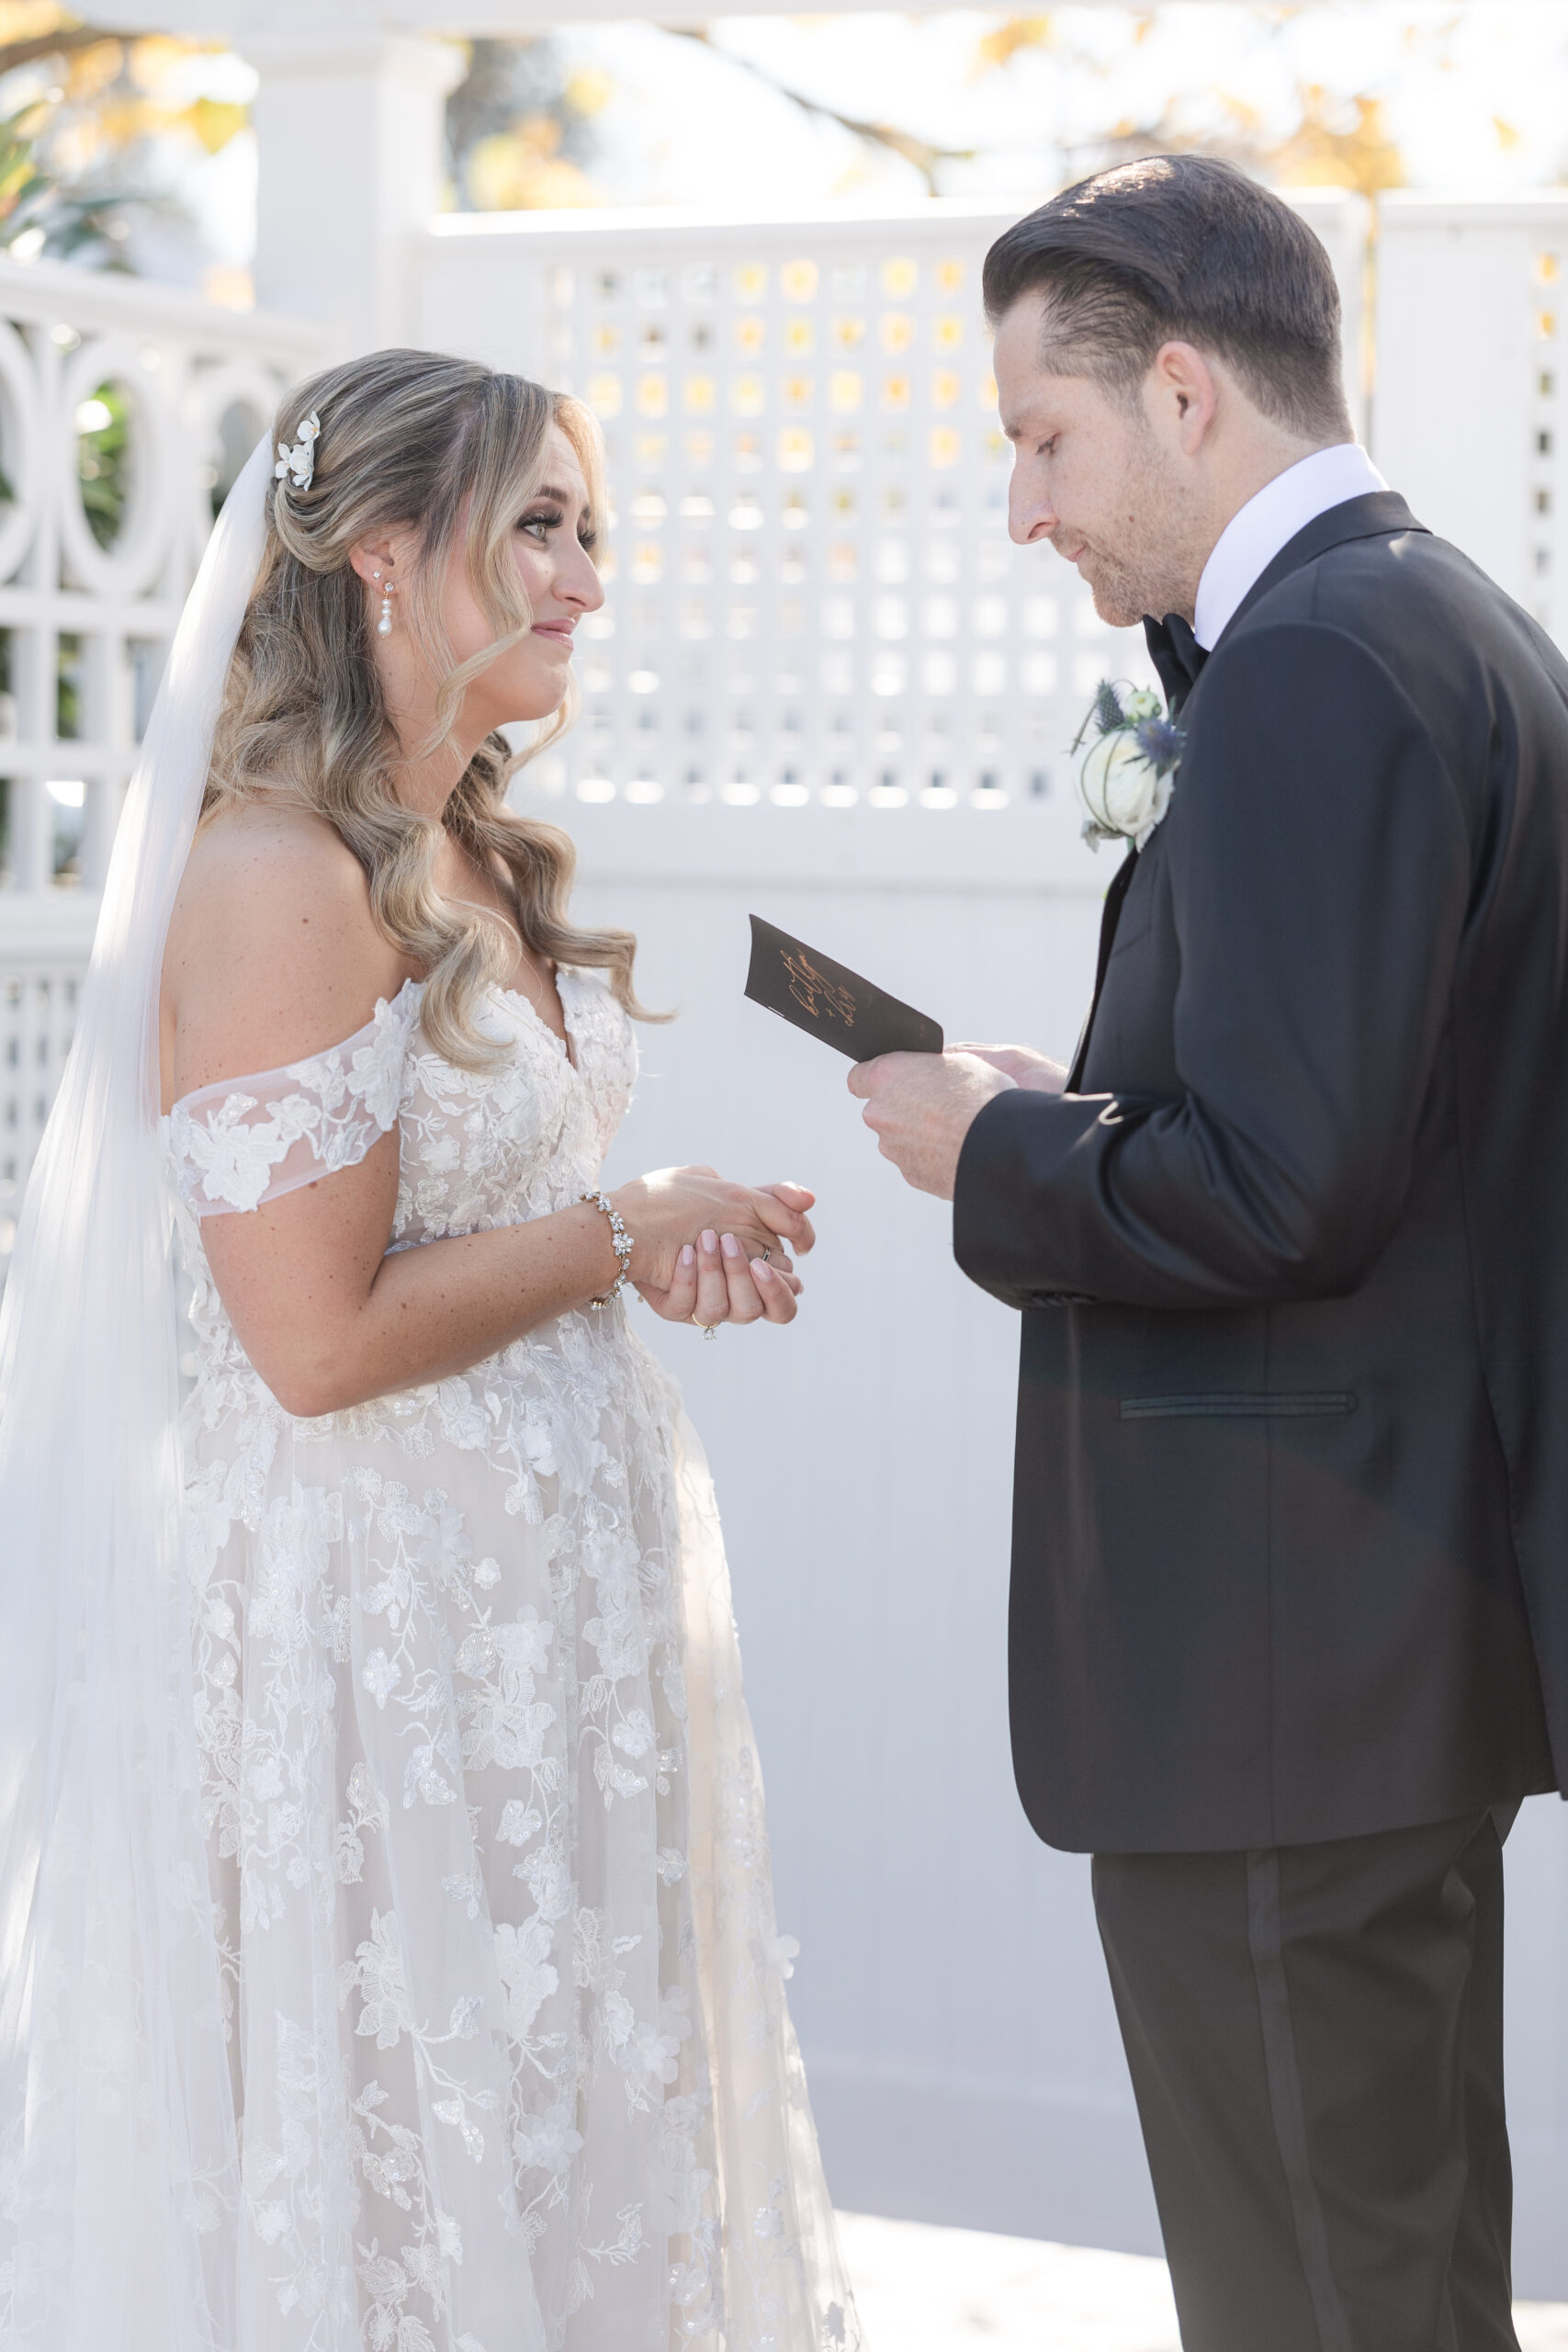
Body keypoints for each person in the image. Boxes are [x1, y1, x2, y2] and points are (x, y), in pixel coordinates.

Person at [0, 349, 860, 2352]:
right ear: (384, 552)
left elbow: (490, 1222)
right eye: (538, 526)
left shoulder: (466, 847)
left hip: (536, 1619)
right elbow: (310, 1339)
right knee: (400, 2167)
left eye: (592, 529)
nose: (585, 575)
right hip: (359, 1639)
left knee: (552, 2146)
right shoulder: (279, 877)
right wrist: (616, 1231)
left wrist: (646, 1237)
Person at [851, 154, 1568, 2350]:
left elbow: (1276, 1187)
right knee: (1390, 2275)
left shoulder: (1322, 663)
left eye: (1034, 437)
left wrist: (985, 1151)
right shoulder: (1433, 619)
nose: (1020, 506)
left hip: (1283, 1653)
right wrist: (1059, 1108)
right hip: (1362, 1646)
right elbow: (1363, 1127)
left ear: (1178, 390)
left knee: (1314, 2303)